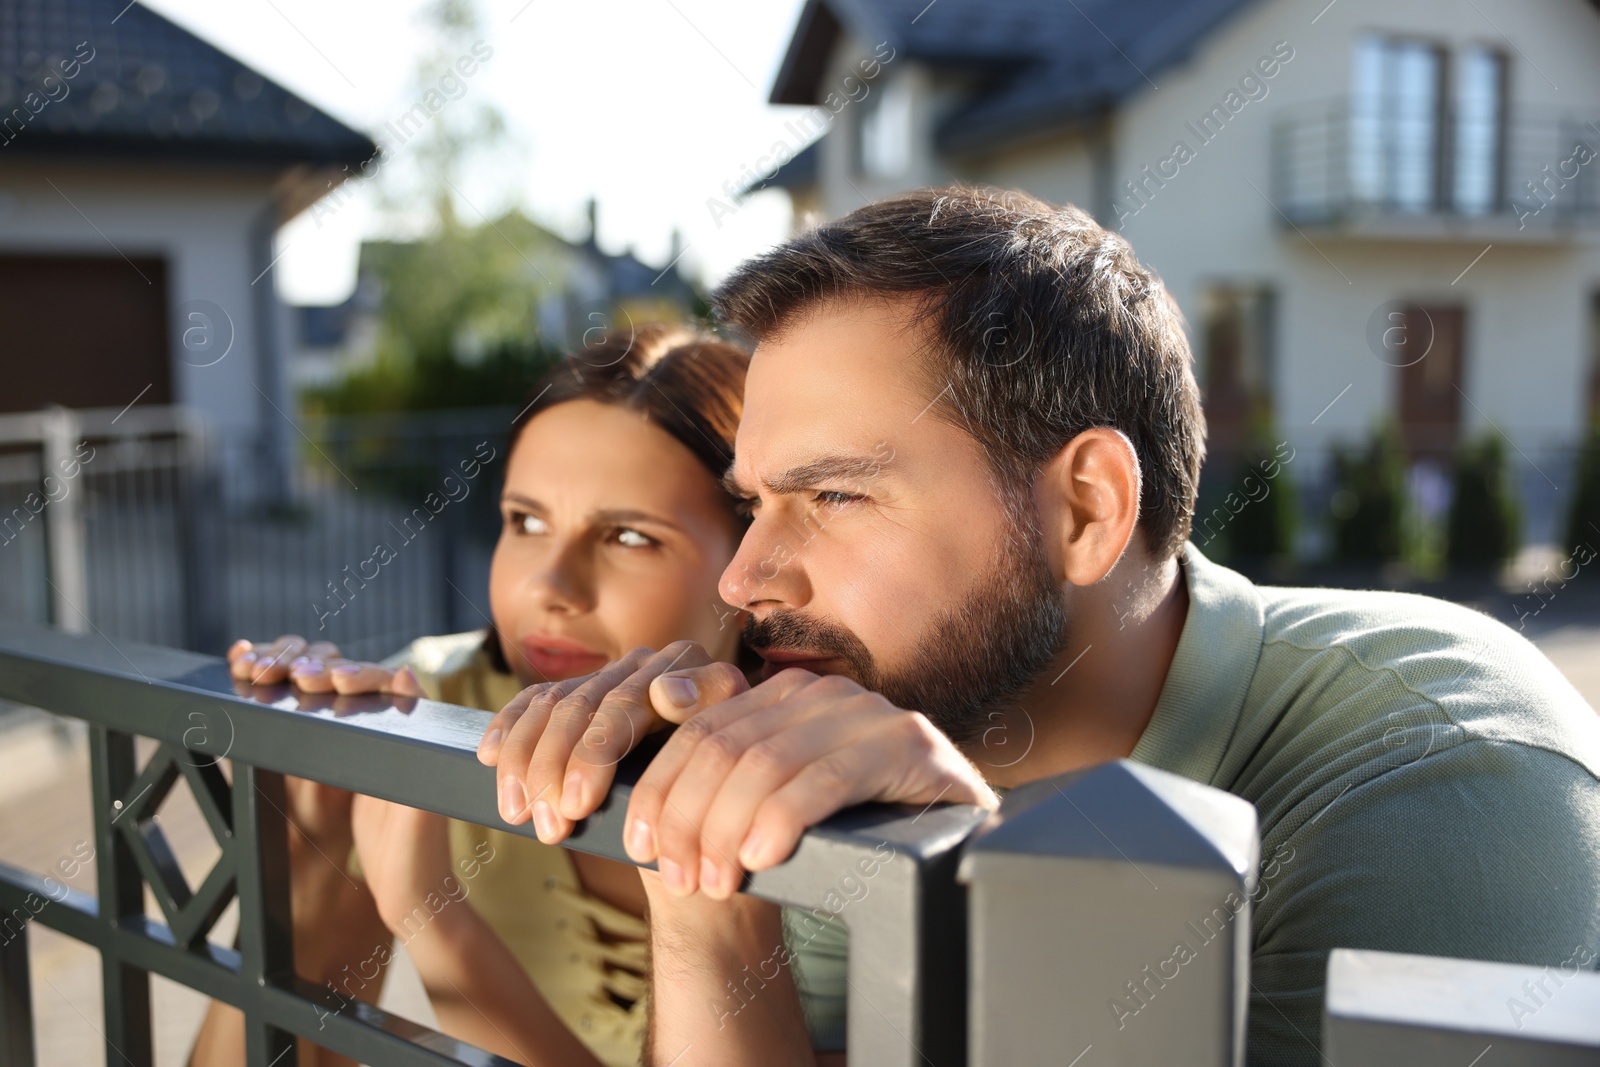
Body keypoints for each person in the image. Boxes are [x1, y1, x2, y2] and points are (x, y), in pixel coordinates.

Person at [480, 185, 1600, 1066]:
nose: (747, 579)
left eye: (833, 496)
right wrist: (703, 896)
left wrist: (979, 902)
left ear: (1086, 509)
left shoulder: (1441, 764)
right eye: (753, 504)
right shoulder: (872, 733)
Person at [188, 324, 847, 1066]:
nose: (549, 587)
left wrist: (435, 920)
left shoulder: (826, 780)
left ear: (748, 563)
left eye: (630, 537)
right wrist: (302, 860)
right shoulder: (435, 710)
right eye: (525, 521)